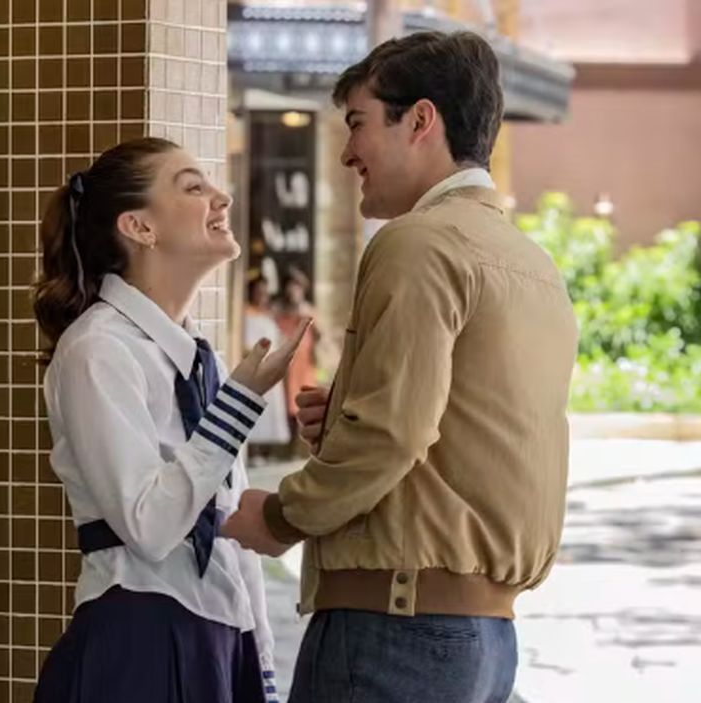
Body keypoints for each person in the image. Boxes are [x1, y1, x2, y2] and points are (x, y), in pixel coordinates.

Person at [222, 31, 578, 702]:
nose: (346, 151)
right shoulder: (530, 261)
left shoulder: (416, 243)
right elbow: (477, 433)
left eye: (357, 123)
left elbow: (393, 433)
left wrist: (277, 518)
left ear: (420, 120)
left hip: (393, 633)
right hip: (485, 641)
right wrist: (354, 408)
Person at [31, 137, 309, 703]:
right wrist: (238, 404)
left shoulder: (202, 359)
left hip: (219, 640)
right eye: (193, 187)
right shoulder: (97, 350)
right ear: (139, 227)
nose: (221, 197)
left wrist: (262, 669)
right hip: (136, 640)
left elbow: (227, 529)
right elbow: (150, 526)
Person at [244, 276, 292, 461]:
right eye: (259, 291)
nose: (262, 295)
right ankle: (253, 450)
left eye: (265, 292)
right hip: (255, 364)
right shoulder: (245, 313)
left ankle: (267, 451)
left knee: (271, 407)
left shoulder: (269, 314)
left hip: (271, 362)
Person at [274, 267, 320, 452]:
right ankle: (286, 446)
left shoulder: (308, 309)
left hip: (304, 362)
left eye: (297, 286)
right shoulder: (279, 309)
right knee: (286, 401)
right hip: (287, 360)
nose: (293, 290)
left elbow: (320, 334)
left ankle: (299, 448)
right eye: (290, 285)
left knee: (302, 398)